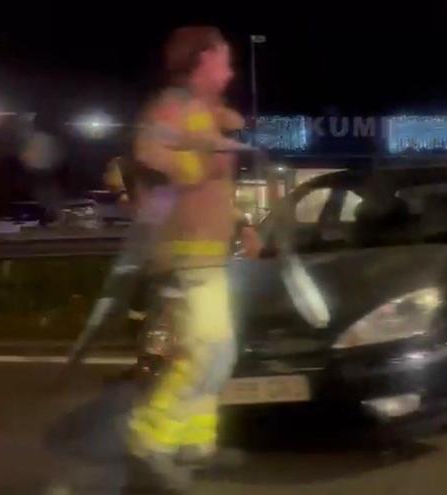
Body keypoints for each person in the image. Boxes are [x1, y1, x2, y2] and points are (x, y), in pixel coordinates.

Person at [125, 26, 250, 491]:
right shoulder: (174, 106)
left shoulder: (203, 113)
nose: (231, 69)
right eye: (224, 60)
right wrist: (203, 163)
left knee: (218, 350)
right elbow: (148, 150)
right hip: (185, 255)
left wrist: (241, 224)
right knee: (208, 351)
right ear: (200, 62)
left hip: (208, 255)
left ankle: (197, 444)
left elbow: (217, 185)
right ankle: (150, 443)